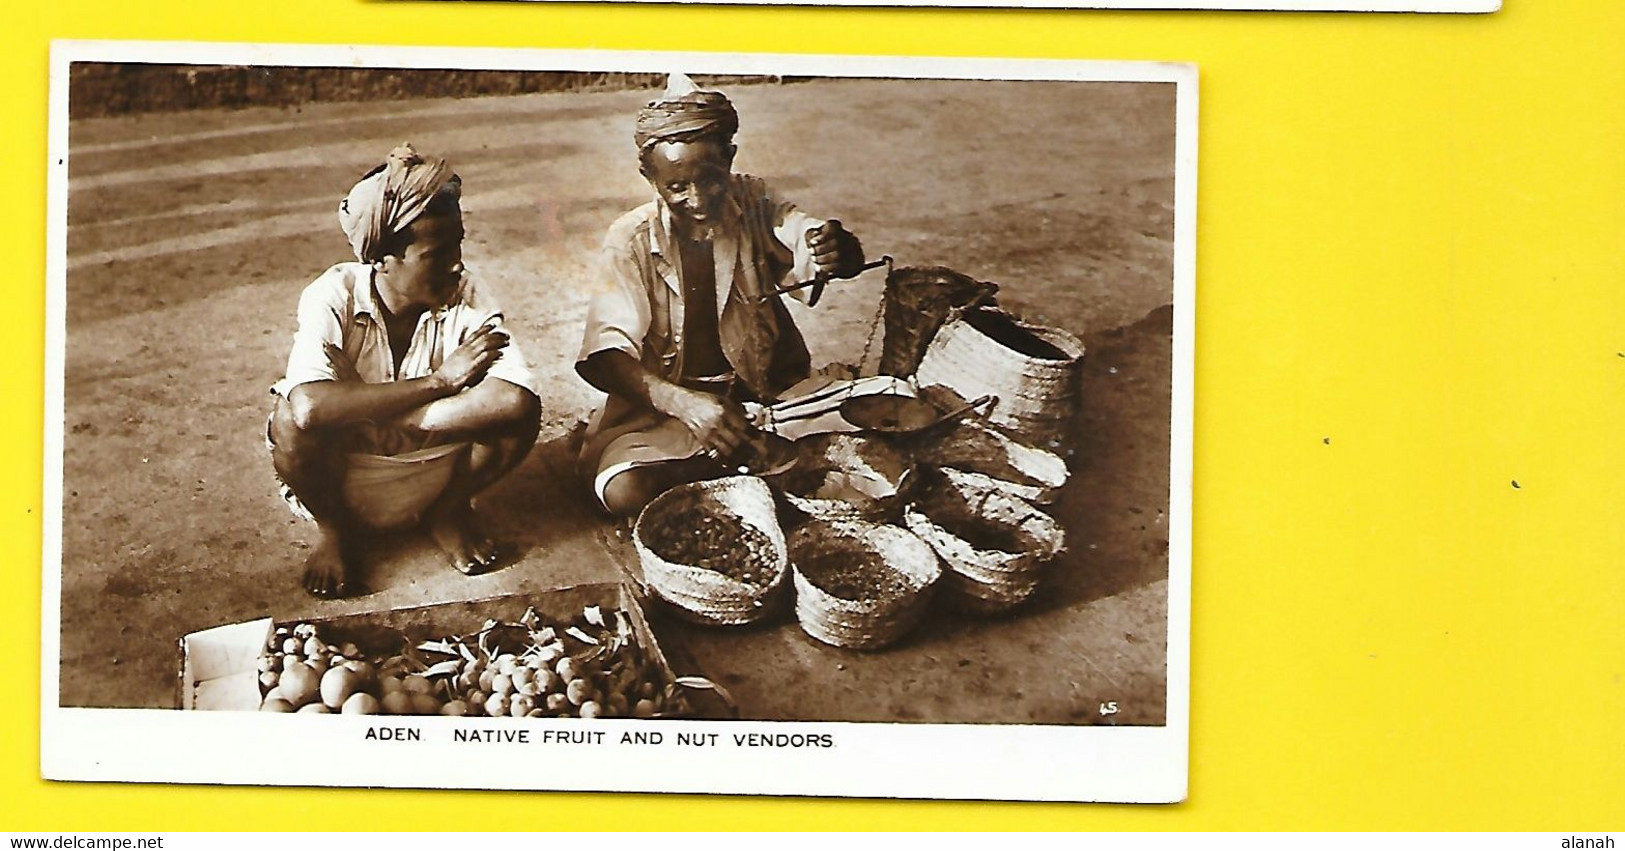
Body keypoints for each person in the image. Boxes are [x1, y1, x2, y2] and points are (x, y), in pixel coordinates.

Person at [576, 75, 866, 518]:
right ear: (649, 177)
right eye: (676, 187)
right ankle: (752, 478)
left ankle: (736, 479)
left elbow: (803, 233)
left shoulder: (755, 200)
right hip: (669, 415)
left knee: (883, 413)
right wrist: (684, 403)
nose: (697, 199)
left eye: (711, 179)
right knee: (623, 489)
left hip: (770, 398)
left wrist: (834, 249)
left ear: (729, 158)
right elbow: (604, 356)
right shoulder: (630, 240)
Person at [269, 144, 541, 597]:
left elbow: (512, 399)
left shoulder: (467, 290)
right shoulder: (333, 294)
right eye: (436, 254)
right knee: (289, 426)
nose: (456, 263)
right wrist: (441, 383)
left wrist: (383, 411)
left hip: (431, 462)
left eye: (459, 244)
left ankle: (447, 510)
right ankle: (335, 531)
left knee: (520, 417)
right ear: (380, 259)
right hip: (342, 471)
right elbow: (311, 408)